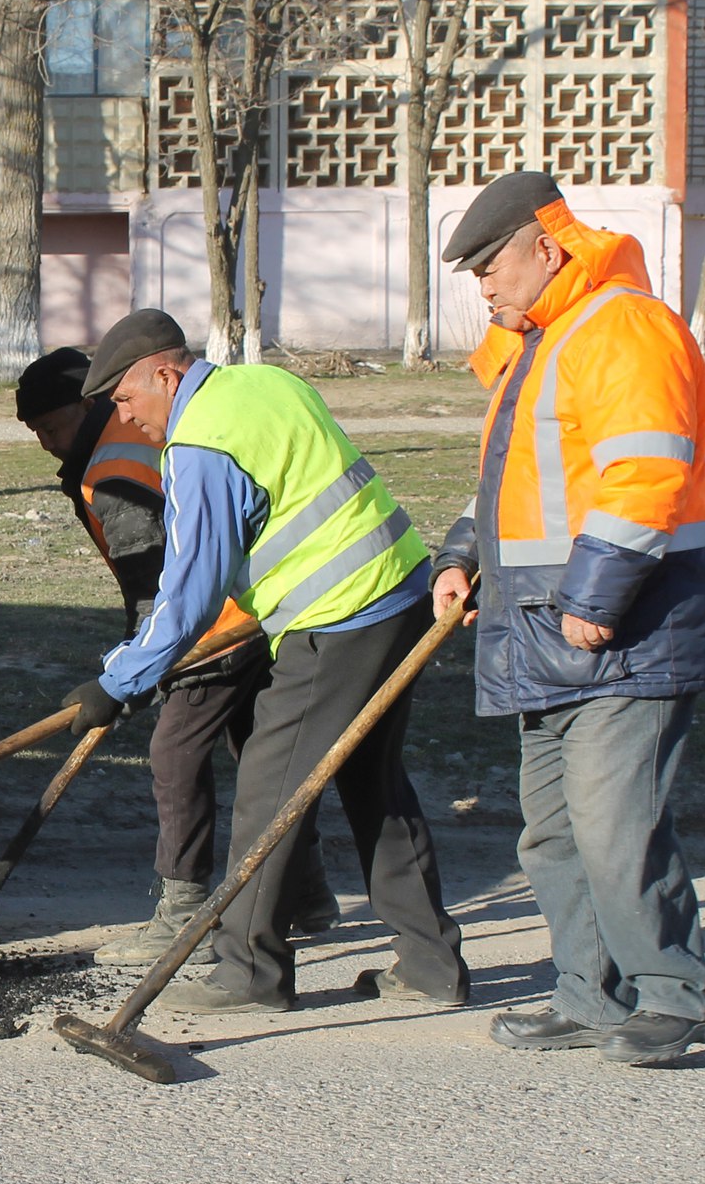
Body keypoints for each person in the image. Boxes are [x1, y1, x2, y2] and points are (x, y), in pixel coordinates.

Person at [62, 310, 469, 1013]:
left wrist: (119, 680)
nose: (125, 420)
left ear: (166, 373)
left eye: (126, 400)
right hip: (401, 594)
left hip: (337, 617)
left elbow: (189, 594)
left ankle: (248, 971)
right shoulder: (266, 384)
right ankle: (431, 966)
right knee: (374, 784)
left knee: (268, 787)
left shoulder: (200, 442)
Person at [432, 171, 705, 1066]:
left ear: (546, 248)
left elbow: (646, 473)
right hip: (546, 627)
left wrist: (594, 602)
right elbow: (515, 484)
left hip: (624, 629)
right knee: (552, 828)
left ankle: (676, 995)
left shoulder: (624, 327)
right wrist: (461, 557)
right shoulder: (547, 342)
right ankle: (588, 994)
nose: (482, 286)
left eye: (491, 264)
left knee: (615, 824)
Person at [15, 348, 334, 968]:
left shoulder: (113, 470)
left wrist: (129, 676)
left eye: (51, 427)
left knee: (174, 751)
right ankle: (306, 893)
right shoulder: (128, 435)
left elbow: (157, 584)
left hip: (211, 628)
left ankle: (184, 909)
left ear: (88, 407)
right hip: (250, 610)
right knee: (252, 748)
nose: (47, 445)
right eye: (35, 433)